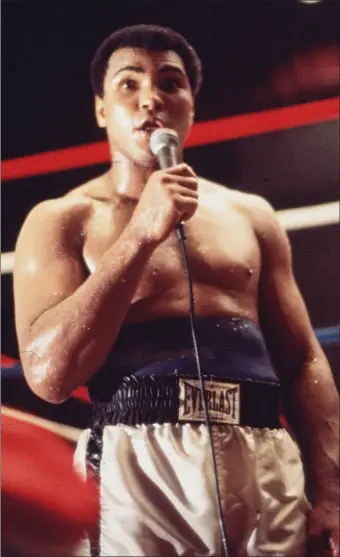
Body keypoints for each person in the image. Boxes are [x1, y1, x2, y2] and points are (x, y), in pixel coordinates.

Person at [13, 24, 339, 557]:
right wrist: (141, 233)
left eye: (171, 83)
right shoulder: (62, 220)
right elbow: (49, 376)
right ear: (101, 109)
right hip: (136, 461)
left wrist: (332, 492)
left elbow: (302, 358)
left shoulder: (251, 216)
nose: (152, 99)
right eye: (129, 84)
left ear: (190, 104)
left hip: (264, 454)